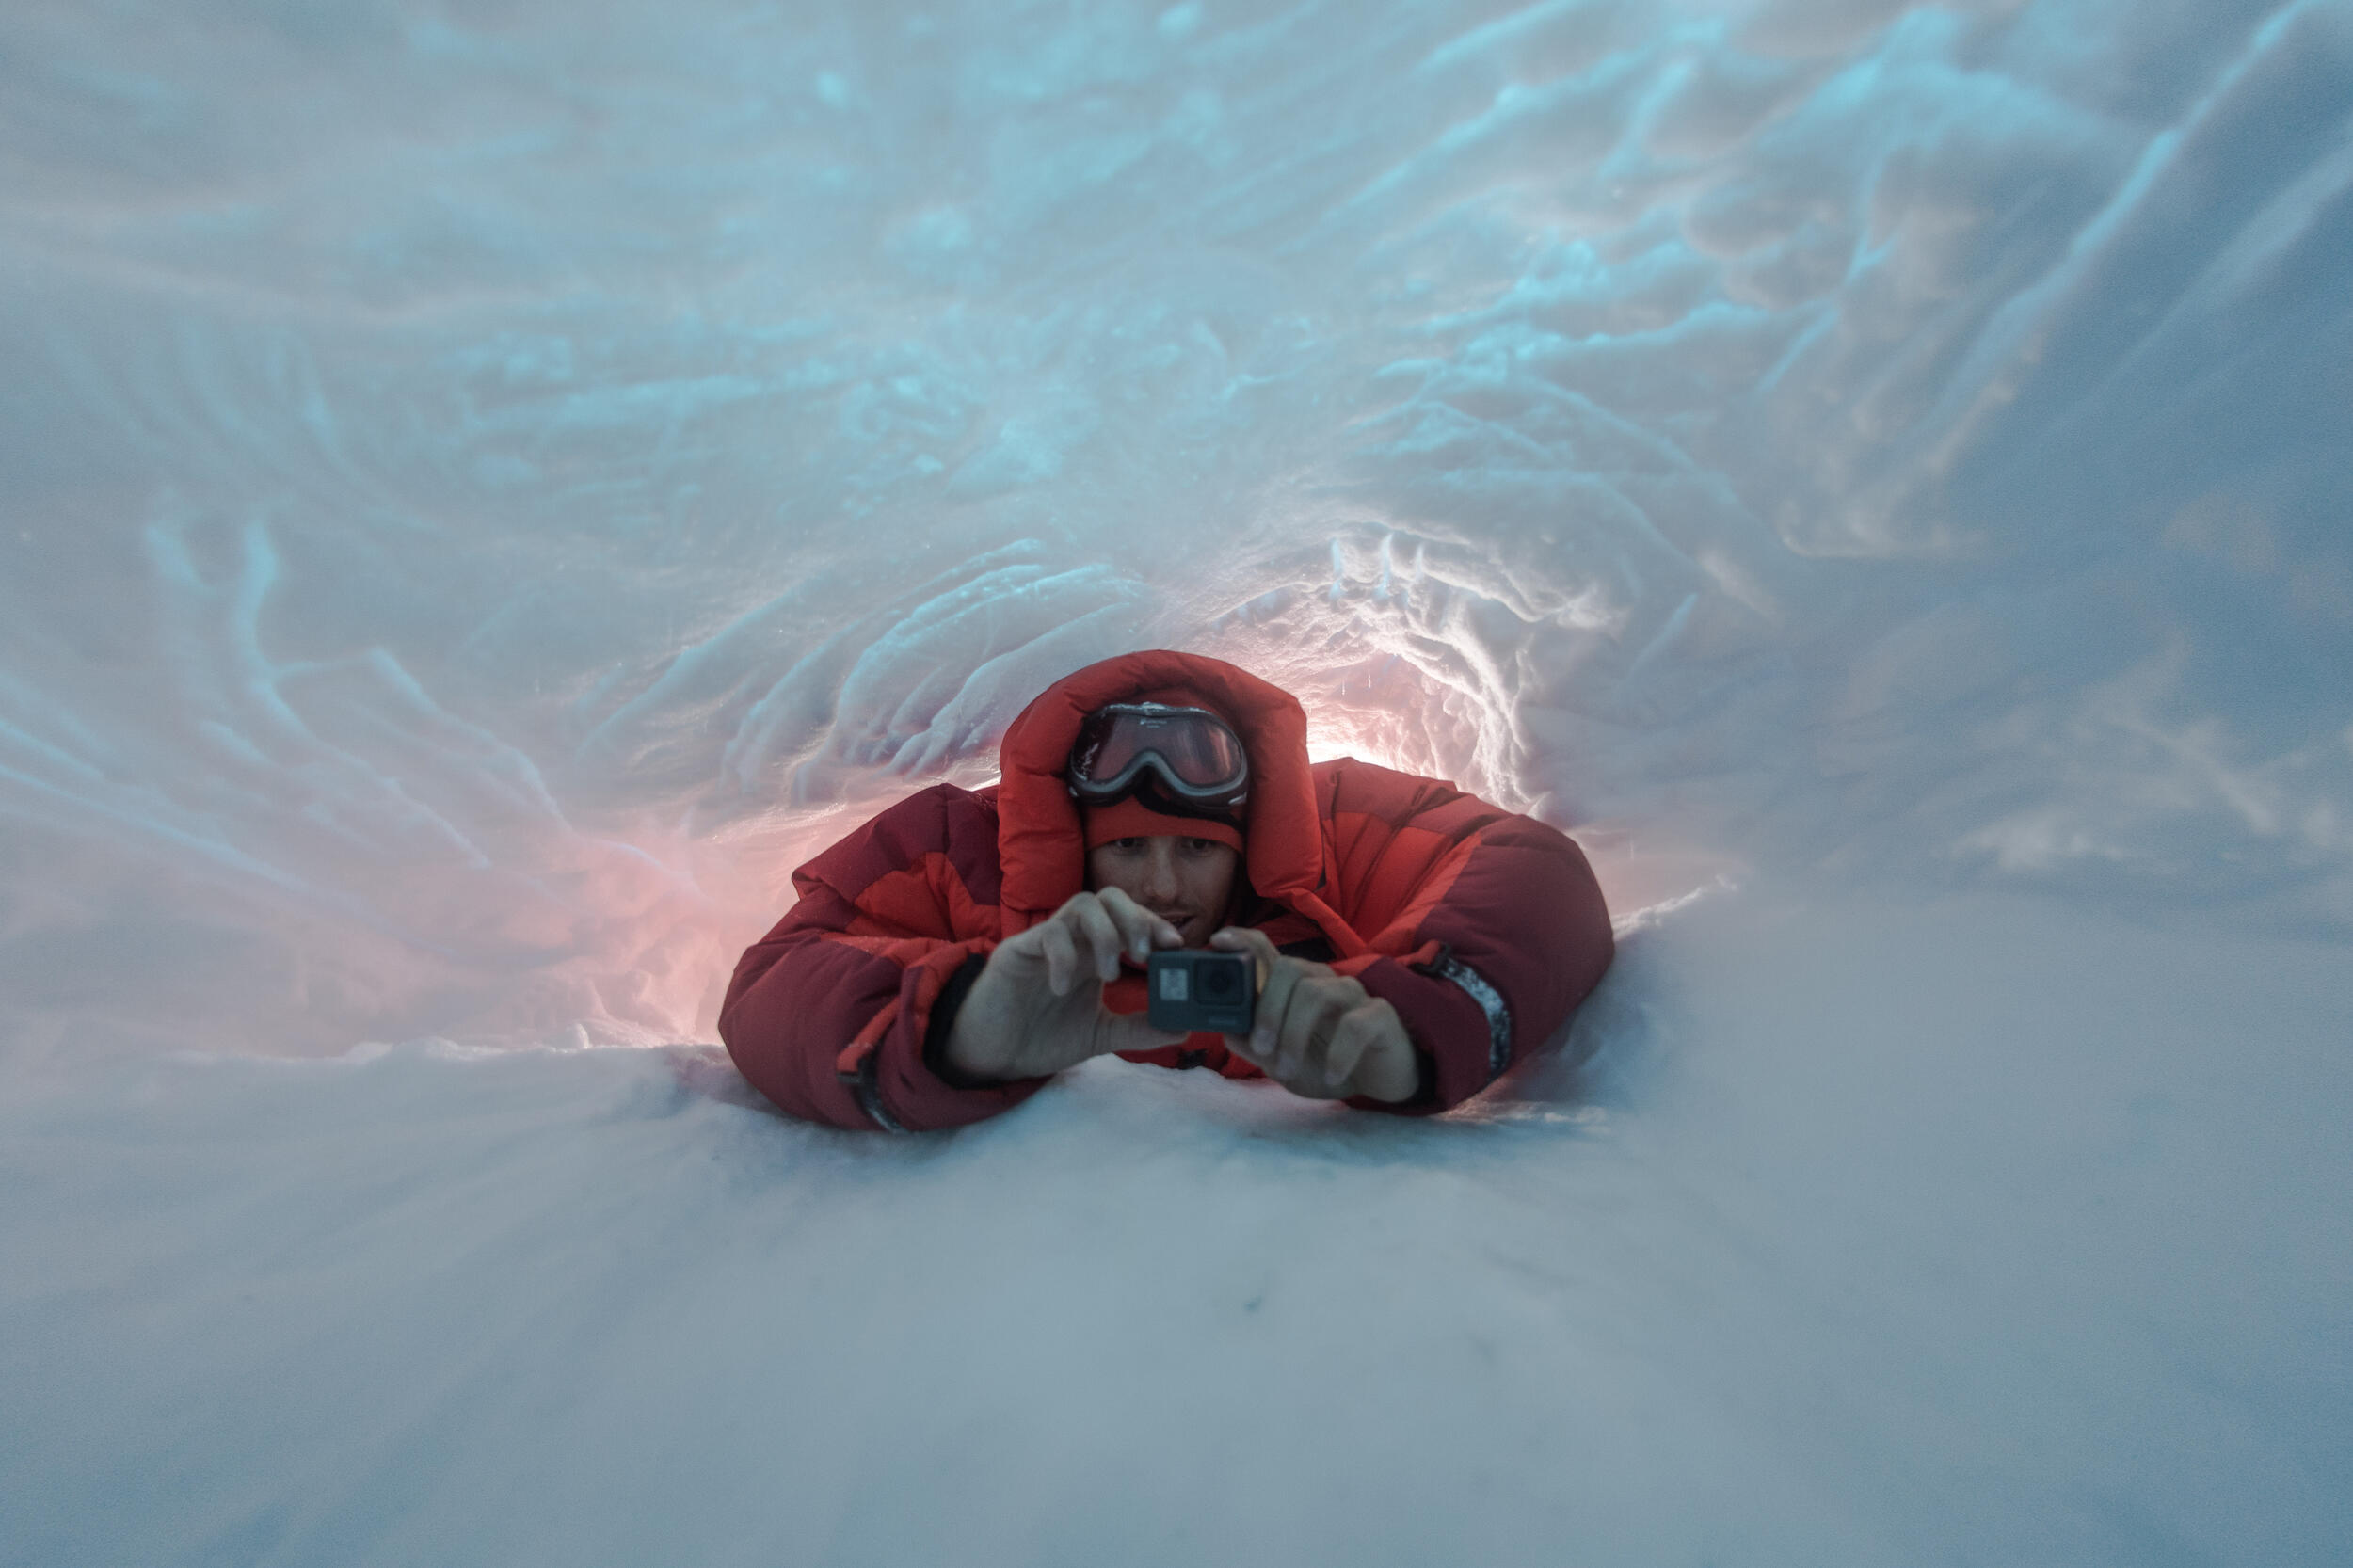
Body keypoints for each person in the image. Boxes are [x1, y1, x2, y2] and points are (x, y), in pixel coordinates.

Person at [719, 650, 1614, 1131]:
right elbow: (774, 987)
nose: (1159, 885)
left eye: (1195, 847)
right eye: (1128, 847)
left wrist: (1407, 1031)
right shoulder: (963, 847)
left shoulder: (1327, 827)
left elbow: (1540, 876)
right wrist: (960, 1027)